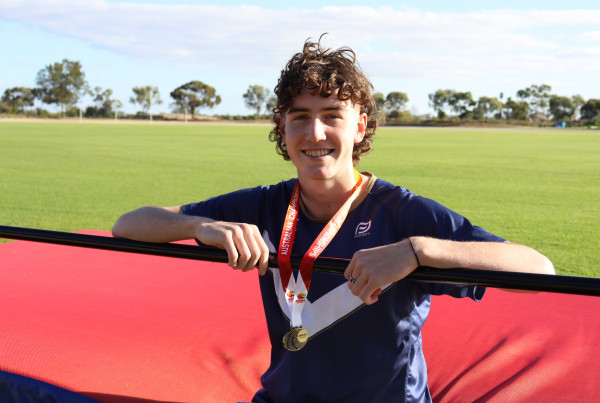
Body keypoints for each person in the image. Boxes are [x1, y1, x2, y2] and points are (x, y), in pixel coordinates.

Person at [112, 37, 554, 402]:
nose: (315, 133)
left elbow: (538, 271)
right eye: (300, 117)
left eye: (331, 116)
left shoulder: (402, 212)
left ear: (359, 127)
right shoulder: (264, 205)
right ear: (283, 128)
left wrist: (418, 251)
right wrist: (197, 226)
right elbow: (128, 224)